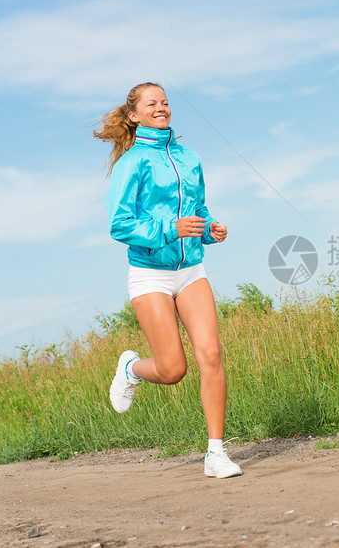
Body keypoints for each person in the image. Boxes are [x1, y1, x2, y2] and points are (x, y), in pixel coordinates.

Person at [93, 82, 242, 478]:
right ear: (134, 115)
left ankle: (215, 453)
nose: (161, 108)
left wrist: (211, 229)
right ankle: (131, 369)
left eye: (165, 102)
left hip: (191, 269)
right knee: (173, 370)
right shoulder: (132, 163)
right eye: (151, 104)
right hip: (150, 273)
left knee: (210, 354)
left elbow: (199, 212)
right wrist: (170, 228)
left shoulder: (190, 158)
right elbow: (120, 224)